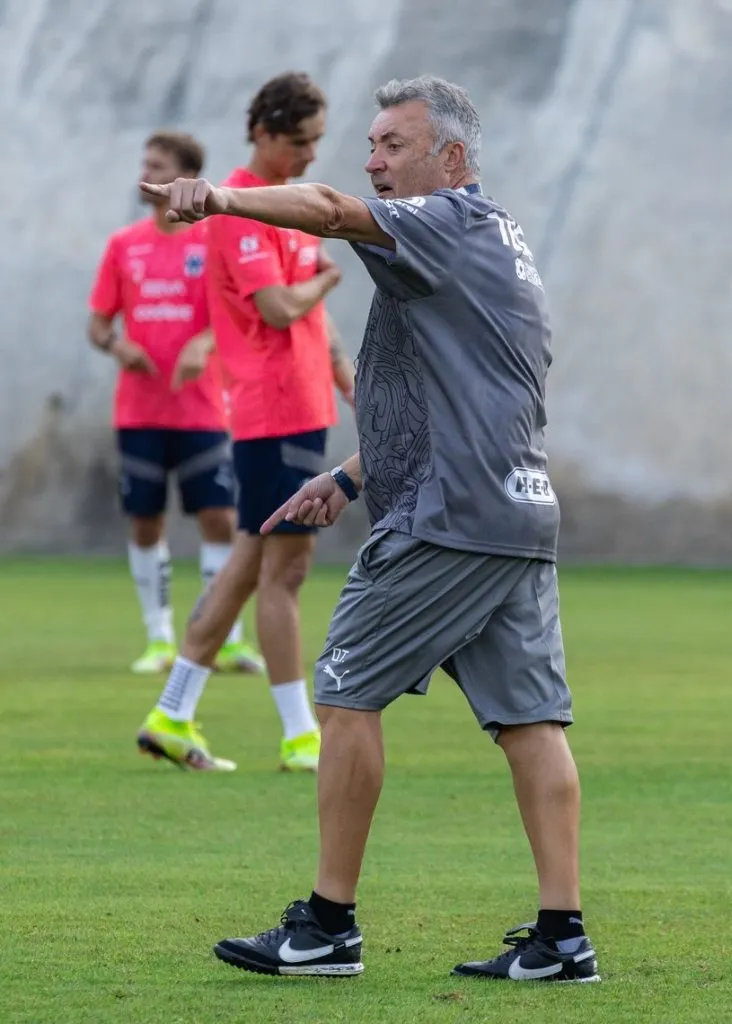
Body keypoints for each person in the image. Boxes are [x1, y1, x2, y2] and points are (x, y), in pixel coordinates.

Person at [141, 75, 600, 981]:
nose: (371, 160)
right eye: (372, 143)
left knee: (345, 691)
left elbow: (321, 206)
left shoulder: (442, 224)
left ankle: (326, 927)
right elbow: (480, 392)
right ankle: (562, 938)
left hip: (450, 517)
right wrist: (352, 475)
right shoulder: (491, 242)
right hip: (512, 508)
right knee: (530, 722)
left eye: (393, 144)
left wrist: (221, 197)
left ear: (452, 158)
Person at [136, 73, 356, 774]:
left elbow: (312, 321)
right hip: (271, 408)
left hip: (301, 406)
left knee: (251, 563)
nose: (311, 157)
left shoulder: (282, 207)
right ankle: (298, 736)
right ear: (262, 134)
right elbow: (279, 310)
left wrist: (351, 380)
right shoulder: (239, 208)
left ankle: (172, 712)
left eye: (317, 142)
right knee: (281, 570)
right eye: (300, 142)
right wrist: (323, 279)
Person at [88, 131, 263, 683]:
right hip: (139, 411)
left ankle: (226, 638)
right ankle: (159, 638)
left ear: (182, 175)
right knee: (144, 520)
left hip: (205, 409)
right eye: (146, 162)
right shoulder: (124, 244)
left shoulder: (211, 241)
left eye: (157, 164)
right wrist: (117, 345)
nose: (147, 172)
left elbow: (238, 313)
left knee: (220, 518)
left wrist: (203, 342)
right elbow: (97, 323)